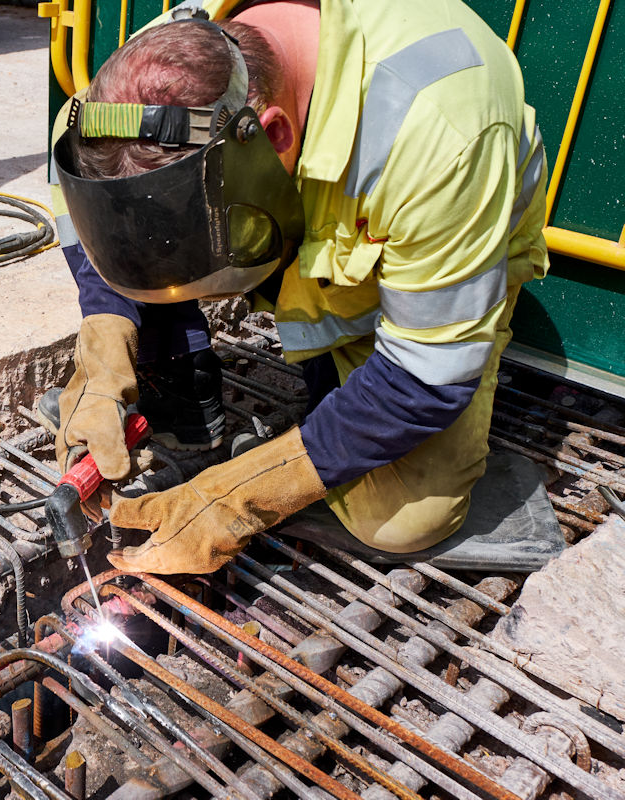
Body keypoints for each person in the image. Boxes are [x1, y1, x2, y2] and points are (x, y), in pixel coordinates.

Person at [47, 0, 550, 574]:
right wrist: (107, 333)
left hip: (417, 261)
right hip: (299, 216)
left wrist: (243, 497)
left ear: (273, 135)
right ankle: (181, 379)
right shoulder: (161, 69)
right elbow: (73, 156)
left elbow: (427, 375)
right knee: (163, 238)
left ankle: (336, 378)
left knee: (405, 518)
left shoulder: (439, 128)